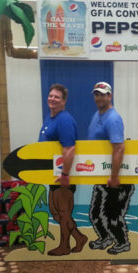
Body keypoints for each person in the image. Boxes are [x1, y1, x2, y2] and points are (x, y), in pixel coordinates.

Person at [38, 83, 87, 256]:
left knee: (64, 212)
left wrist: (65, 174)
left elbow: (69, 149)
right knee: (56, 212)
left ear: (64, 101)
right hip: (52, 174)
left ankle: (64, 246)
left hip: (63, 175)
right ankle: (79, 237)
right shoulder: (50, 116)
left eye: (56, 97)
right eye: (51, 95)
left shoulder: (65, 120)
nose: (52, 99)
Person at [87, 82, 135, 255]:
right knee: (95, 215)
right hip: (100, 176)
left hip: (116, 179)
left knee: (111, 216)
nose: (99, 97)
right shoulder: (97, 115)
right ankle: (105, 238)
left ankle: (122, 243)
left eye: (103, 94)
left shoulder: (113, 118)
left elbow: (119, 148)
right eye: (97, 94)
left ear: (110, 96)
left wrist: (114, 177)